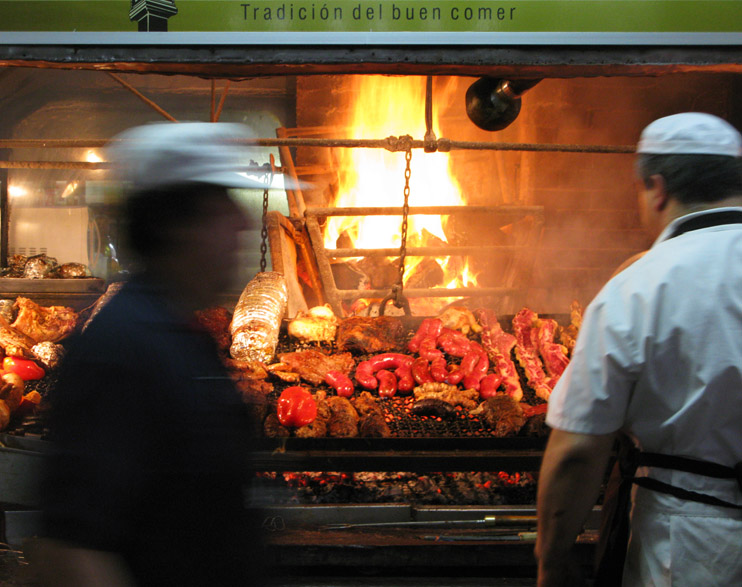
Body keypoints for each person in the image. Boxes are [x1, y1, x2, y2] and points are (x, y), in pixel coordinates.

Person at [32, 122, 273, 586]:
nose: (243, 223)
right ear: (174, 227)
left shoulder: (183, 333)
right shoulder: (121, 351)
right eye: (222, 206)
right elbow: (74, 552)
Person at [535, 112, 742, 586]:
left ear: (658, 187)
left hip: (693, 541)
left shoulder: (638, 288)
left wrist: (552, 561)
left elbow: (576, 451)